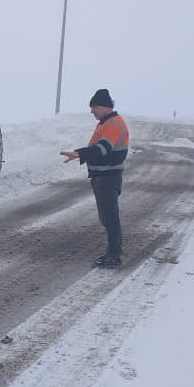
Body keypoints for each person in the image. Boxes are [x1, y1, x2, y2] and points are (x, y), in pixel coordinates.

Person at [59, 89, 130, 267]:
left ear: (105, 107)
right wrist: (82, 154)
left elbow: (102, 149)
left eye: (94, 107)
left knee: (110, 216)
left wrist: (79, 154)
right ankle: (114, 251)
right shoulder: (105, 123)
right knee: (107, 216)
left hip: (108, 177)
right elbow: (97, 147)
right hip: (103, 176)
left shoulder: (113, 124)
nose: (92, 111)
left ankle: (113, 255)